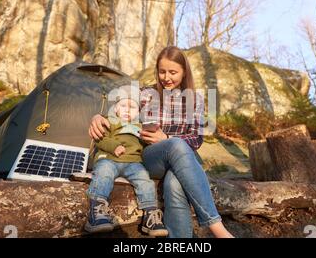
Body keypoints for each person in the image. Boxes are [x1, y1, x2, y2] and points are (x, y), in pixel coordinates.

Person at [89, 46, 234, 238]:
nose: (166, 77)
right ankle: (218, 229)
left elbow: (196, 138)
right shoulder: (146, 94)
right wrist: (98, 117)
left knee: (175, 183)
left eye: (173, 72)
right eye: (162, 71)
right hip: (149, 158)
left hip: (181, 162)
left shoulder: (195, 100)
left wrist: (166, 138)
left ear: (184, 73)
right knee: (176, 145)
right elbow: (119, 107)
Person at [85, 87, 168, 237]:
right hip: (109, 159)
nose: (127, 110)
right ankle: (96, 211)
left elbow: (147, 145)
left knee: (145, 180)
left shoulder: (141, 126)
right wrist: (114, 146)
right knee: (104, 173)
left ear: (138, 112)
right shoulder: (109, 121)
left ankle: (150, 215)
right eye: (123, 106)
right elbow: (99, 139)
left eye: (133, 107)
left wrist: (151, 143)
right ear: (116, 108)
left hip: (133, 163)